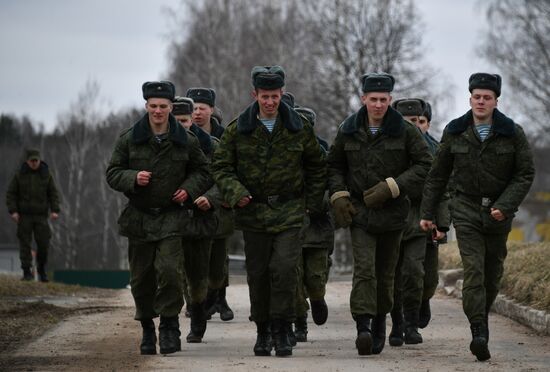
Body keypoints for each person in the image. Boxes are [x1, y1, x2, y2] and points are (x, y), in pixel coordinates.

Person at [212, 65, 326, 357]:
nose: (270, 102)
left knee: (285, 270)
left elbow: (316, 164)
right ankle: (262, 331)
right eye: (265, 96)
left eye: (275, 96)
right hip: (254, 212)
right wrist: (236, 193)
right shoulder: (239, 129)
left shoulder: (299, 127)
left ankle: (281, 329)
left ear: (282, 94)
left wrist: (312, 202)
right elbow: (222, 167)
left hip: (289, 210)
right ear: (255, 95)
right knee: (259, 274)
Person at [420, 73, 535, 361]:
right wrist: (427, 213)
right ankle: (478, 331)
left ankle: (480, 316)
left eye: (487, 97)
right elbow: (438, 174)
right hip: (466, 208)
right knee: (473, 269)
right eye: (476, 96)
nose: (481, 101)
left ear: (496, 101)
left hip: (498, 213)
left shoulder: (512, 132)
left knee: (492, 273)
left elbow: (524, 174)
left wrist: (505, 205)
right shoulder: (455, 130)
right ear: (470, 98)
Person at [327, 73, 431, 356]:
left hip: (393, 214)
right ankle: (363, 325)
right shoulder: (348, 129)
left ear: (390, 100)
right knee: (364, 270)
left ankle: (380, 324)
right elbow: (334, 166)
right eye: (373, 99)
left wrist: (393, 186)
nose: (378, 105)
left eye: (384, 100)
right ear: (363, 99)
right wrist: (339, 195)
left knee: (386, 274)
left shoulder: (405, 131)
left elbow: (425, 164)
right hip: (360, 213)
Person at [106, 81, 212, 355]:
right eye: (153, 106)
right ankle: (146, 329)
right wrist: (133, 178)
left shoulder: (185, 140)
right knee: (141, 279)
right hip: (139, 218)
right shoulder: (130, 138)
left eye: (163, 106)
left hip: (171, 218)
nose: (158, 111)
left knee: (170, 273)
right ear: (146, 106)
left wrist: (187, 190)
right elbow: (113, 172)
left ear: (170, 107)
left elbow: (204, 171)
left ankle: (169, 327)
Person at [387, 98, 450, 347]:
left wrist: (442, 224)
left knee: (418, 275)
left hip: (420, 219)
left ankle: (413, 317)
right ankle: (399, 323)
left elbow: (443, 189)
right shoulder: (388, 146)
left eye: (417, 121)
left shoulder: (433, 150)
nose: (413, 126)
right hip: (392, 219)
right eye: (407, 122)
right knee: (392, 275)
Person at [186, 87, 235, 322]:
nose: (197, 113)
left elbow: (232, 171)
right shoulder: (183, 136)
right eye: (193, 109)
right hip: (190, 206)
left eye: (201, 108)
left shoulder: (225, 138)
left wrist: (222, 198)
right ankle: (196, 302)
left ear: (211, 110)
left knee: (218, 257)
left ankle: (218, 297)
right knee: (193, 257)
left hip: (219, 205)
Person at [6, 148, 60, 282]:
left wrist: (55, 210)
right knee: (25, 243)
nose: (35, 163)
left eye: (37, 160)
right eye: (32, 161)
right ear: (28, 161)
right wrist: (13, 211)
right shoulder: (19, 175)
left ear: (40, 160)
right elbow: (11, 194)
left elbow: (53, 194)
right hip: (24, 216)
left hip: (41, 216)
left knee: (43, 243)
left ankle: (41, 269)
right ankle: (26, 271)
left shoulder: (46, 175)